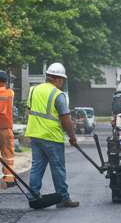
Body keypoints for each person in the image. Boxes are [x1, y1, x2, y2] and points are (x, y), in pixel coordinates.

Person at [27, 62, 81, 209]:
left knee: (37, 166)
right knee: (58, 167)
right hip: (51, 136)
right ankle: (63, 198)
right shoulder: (58, 95)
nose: (62, 83)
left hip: (35, 135)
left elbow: (30, 110)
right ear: (57, 79)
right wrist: (72, 136)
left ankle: (33, 195)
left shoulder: (33, 90)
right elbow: (65, 118)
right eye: (62, 80)